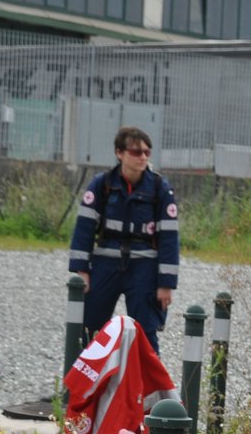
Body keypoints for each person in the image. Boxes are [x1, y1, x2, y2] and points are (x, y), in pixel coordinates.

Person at [69, 126, 179, 353]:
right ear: (119, 153)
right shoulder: (102, 185)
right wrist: (82, 272)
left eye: (147, 152)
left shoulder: (160, 188)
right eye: (136, 152)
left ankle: (150, 388)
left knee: (145, 332)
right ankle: (84, 385)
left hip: (144, 267)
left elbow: (169, 238)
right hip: (105, 264)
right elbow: (84, 230)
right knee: (88, 328)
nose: (143, 157)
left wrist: (165, 283)